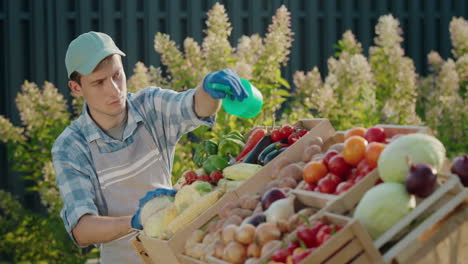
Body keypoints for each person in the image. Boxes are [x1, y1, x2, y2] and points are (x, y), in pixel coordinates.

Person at [52, 31, 248, 263]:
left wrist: (209, 89)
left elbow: (195, 106)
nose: (114, 90)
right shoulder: (71, 147)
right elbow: (82, 229)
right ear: (76, 88)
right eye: (98, 82)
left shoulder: (150, 107)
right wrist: (137, 220)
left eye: (117, 75)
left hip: (172, 252)